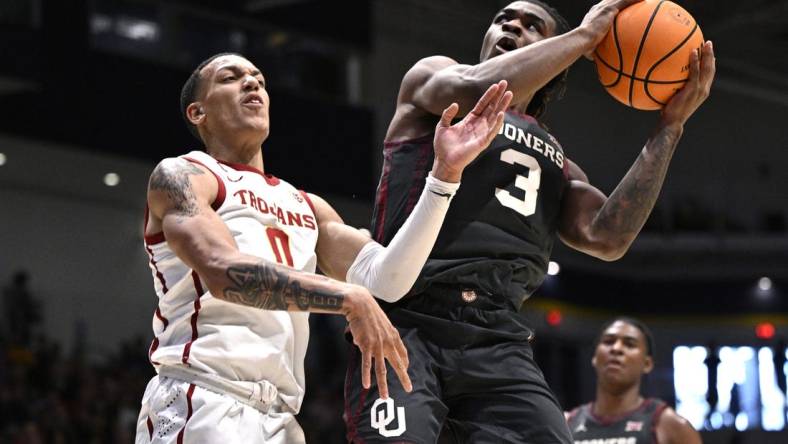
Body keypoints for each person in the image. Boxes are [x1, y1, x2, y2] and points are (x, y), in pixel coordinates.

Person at [343, 0, 716, 442]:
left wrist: (668, 130)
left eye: (531, 25)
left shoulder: (557, 161)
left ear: (554, 62)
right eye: (503, 19)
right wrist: (583, 37)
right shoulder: (436, 81)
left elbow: (607, 237)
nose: (512, 26)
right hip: (406, 322)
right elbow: (473, 87)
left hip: (497, 337)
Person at [134, 52, 513, 444]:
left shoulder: (306, 206)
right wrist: (347, 297)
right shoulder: (184, 174)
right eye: (231, 78)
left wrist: (444, 176)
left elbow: (386, 279)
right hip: (204, 398)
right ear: (198, 112)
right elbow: (222, 271)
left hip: (281, 417)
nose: (252, 83)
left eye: (259, 79)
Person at [566, 317, 702, 444]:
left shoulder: (670, 425)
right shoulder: (566, 423)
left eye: (629, 344)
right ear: (595, 358)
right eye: (608, 341)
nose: (616, 348)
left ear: (647, 364)